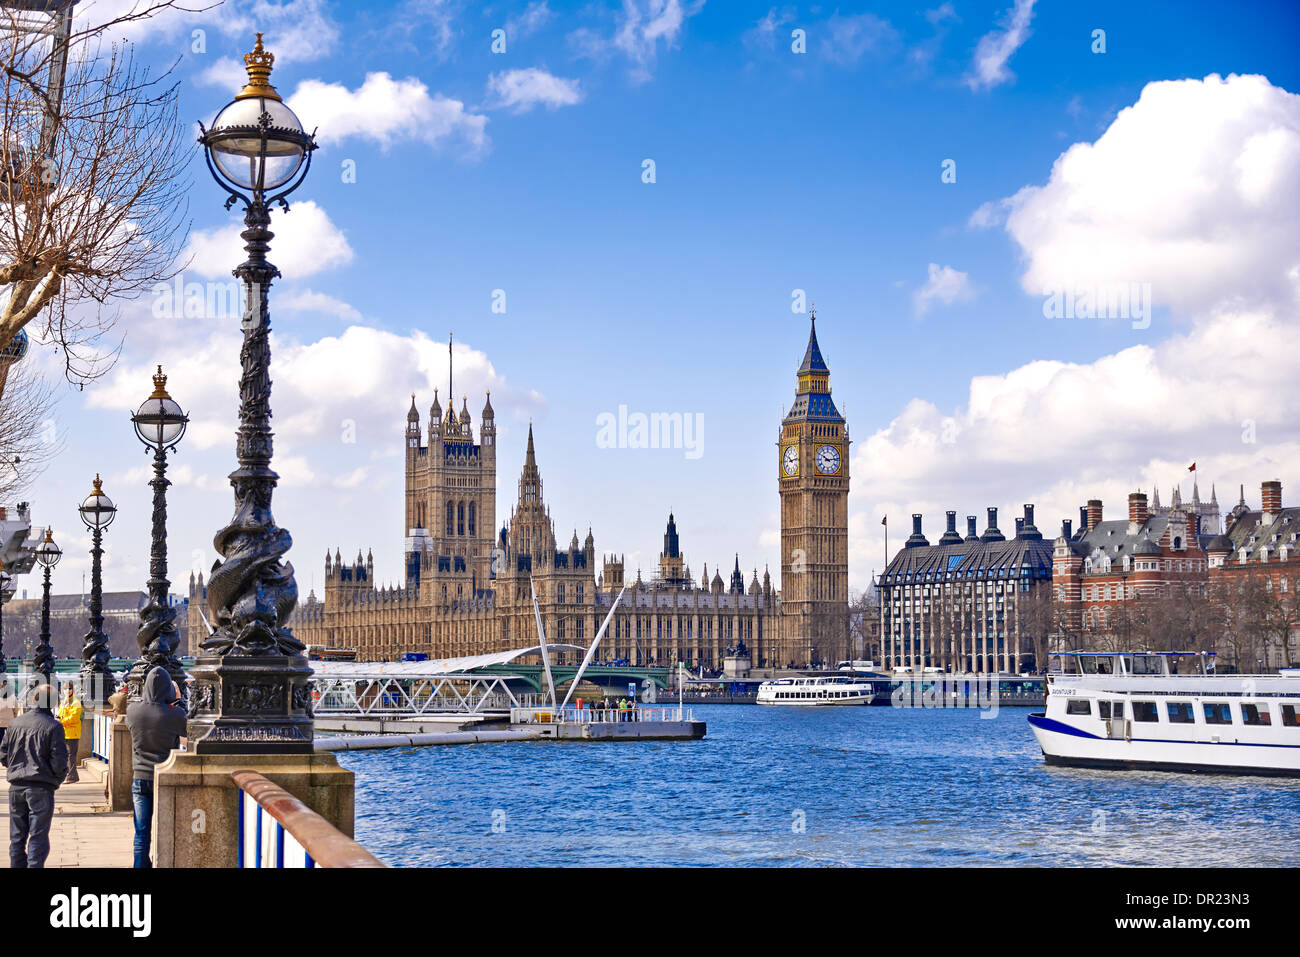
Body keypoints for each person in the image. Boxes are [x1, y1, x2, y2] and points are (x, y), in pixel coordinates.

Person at [124, 667, 187, 869]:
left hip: (140, 777)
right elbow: (187, 728)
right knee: (166, 828)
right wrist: (177, 698)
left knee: (141, 832)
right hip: (165, 777)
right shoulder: (175, 714)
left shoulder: (133, 711)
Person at [0, 682, 68, 868]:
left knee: (17, 838)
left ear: (33, 699)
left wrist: (14, 768)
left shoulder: (15, 723)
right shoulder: (54, 727)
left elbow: (3, 755)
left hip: (16, 786)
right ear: (53, 703)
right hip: (41, 786)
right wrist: (57, 780)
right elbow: (59, 762)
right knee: (38, 837)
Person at [56, 683, 83, 783]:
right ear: (62, 691)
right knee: (67, 755)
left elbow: (74, 717)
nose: (68, 691)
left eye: (70, 688)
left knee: (70, 755)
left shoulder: (75, 702)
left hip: (72, 732)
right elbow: (60, 713)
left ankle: (71, 776)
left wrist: (61, 721)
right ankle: (73, 776)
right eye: (66, 689)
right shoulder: (64, 701)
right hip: (65, 732)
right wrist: (58, 717)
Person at [0, 678, 17, 748]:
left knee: (0, 741)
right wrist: (14, 716)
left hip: (0, 722)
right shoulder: (12, 697)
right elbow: (16, 709)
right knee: (10, 741)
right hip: (10, 722)